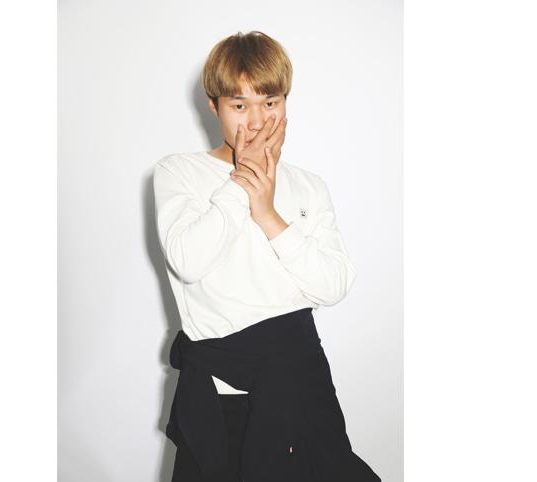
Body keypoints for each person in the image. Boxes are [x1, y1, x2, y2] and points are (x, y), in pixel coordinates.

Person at [154, 31, 380, 482]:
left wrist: (268, 214)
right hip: (224, 395)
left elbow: (333, 284)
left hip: (302, 383)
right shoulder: (180, 172)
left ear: (285, 104)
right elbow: (189, 261)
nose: (257, 121)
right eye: (240, 105)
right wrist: (243, 182)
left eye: (270, 102)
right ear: (214, 106)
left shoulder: (309, 185)